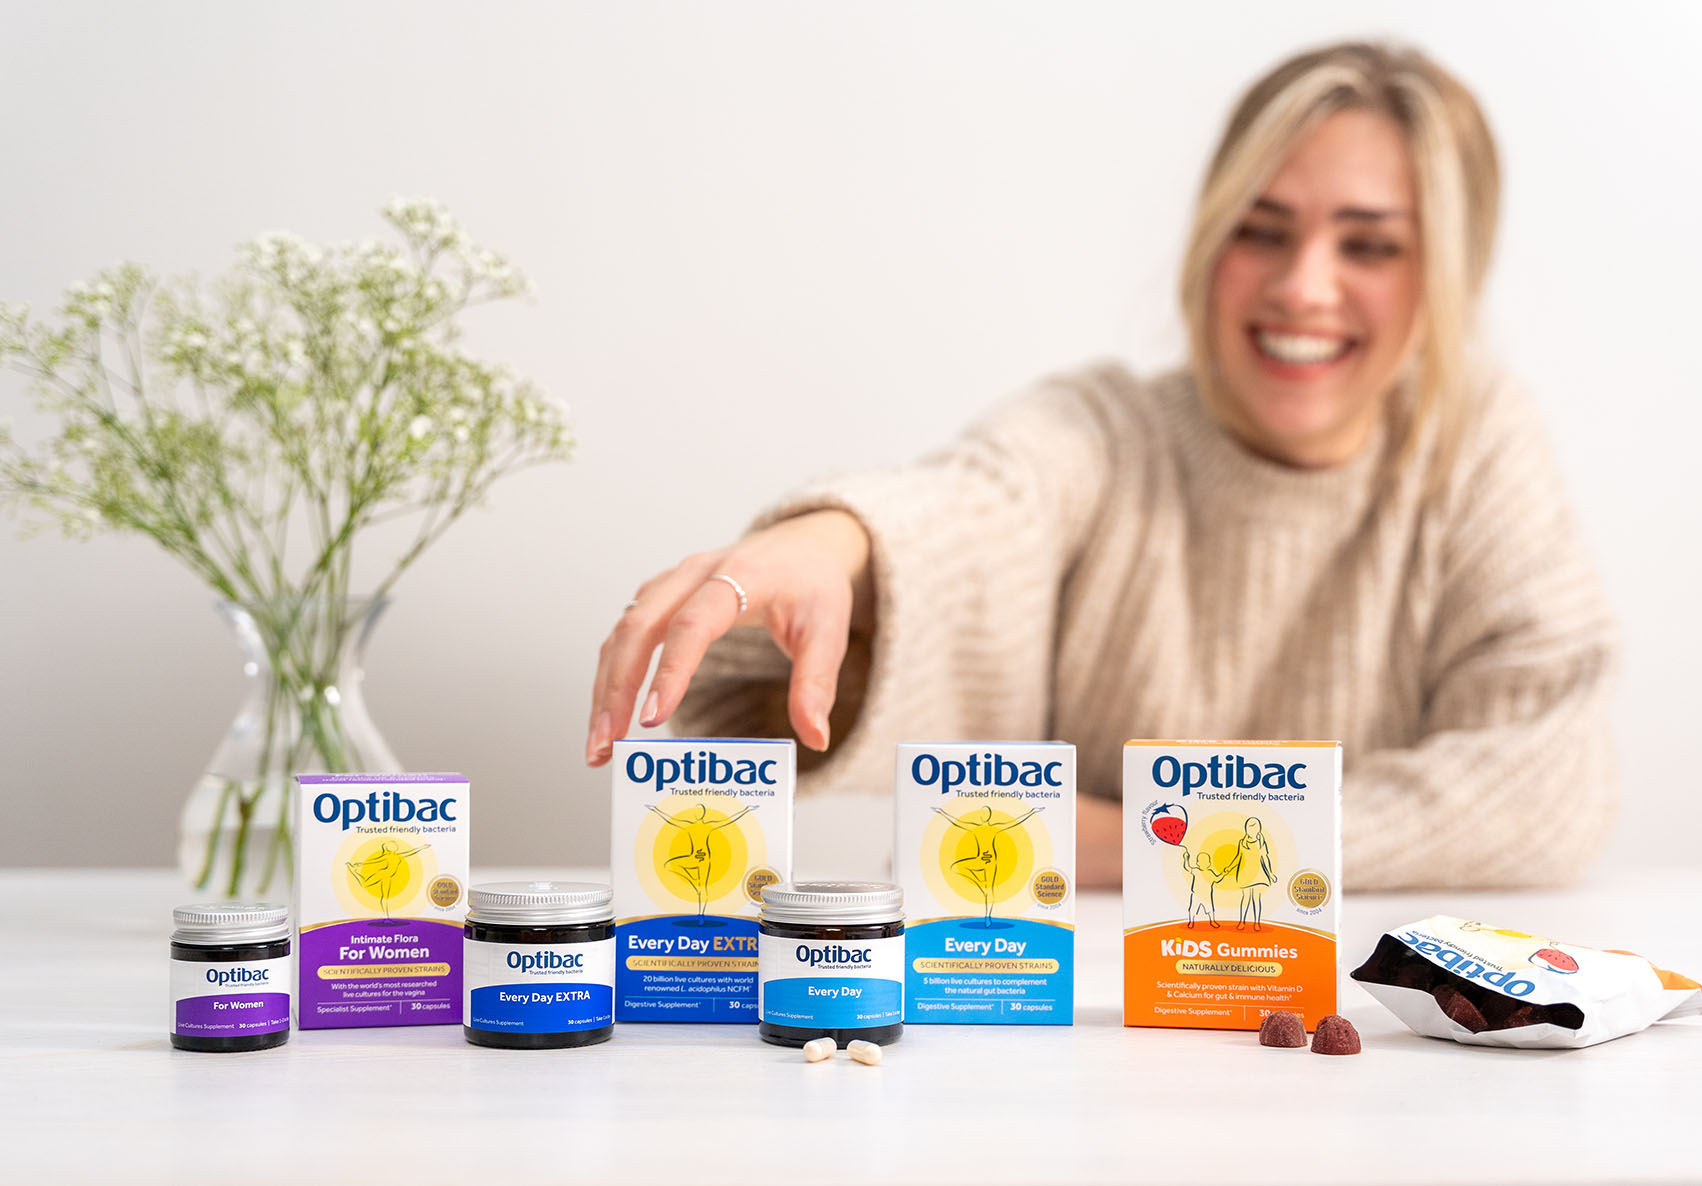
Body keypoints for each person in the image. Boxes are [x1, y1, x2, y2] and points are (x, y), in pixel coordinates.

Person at [585, 41, 1617, 892]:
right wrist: (830, 546)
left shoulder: (1475, 448)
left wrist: (1133, 843)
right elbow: (978, 508)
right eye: (1261, 231)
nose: (1304, 286)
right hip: (1077, 1037)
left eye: (1371, 246)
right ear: (1207, 243)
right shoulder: (1103, 433)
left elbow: (1543, 783)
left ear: (1448, 273)